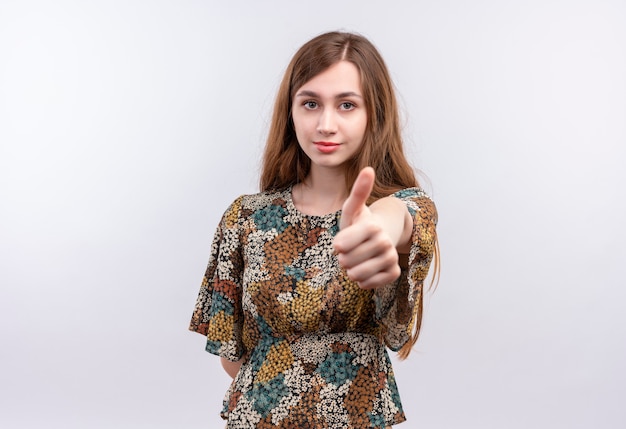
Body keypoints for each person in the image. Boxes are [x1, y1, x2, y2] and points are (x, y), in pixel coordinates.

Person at [189, 31, 439, 429]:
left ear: (374, 113)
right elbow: (232, 358)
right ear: (290, 112)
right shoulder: (245, 219)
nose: (326, 124)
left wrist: (381, 228)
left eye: (346, 105)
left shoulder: (400, 208)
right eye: (310, 103)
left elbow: (403, 216)